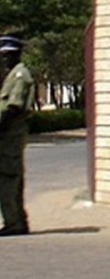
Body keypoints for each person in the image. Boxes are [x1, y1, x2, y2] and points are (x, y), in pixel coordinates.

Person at [0, 35, 35, 236]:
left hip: (10, 136)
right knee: (9, 178)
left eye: (9, 55)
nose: (5, 60)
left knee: (9, 178)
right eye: (3, 56)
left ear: (17, 54)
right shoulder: (13, 75)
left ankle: (14, 223)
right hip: (7, 136)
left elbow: (13, 107)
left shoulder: (20, 75)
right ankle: (16, 220)